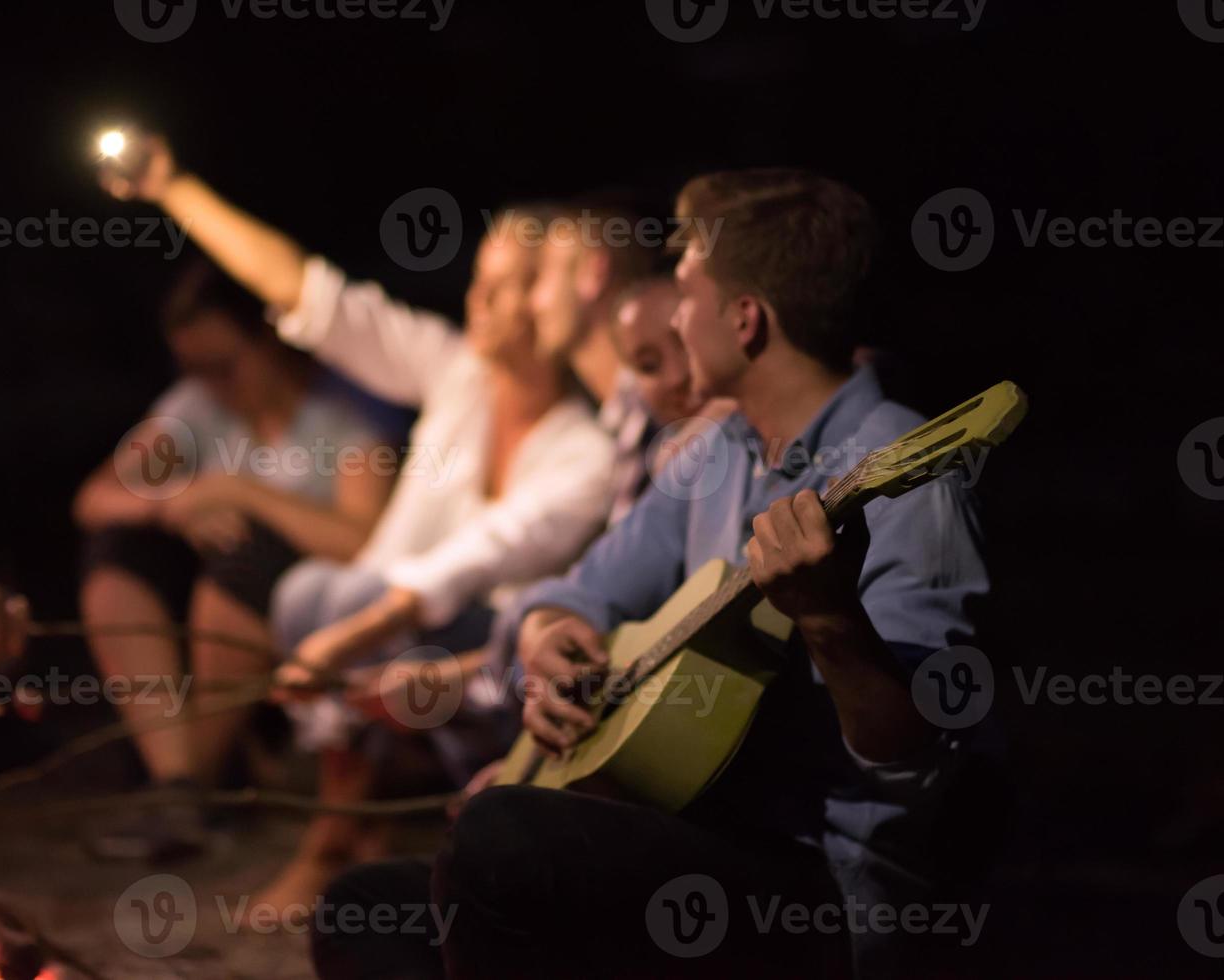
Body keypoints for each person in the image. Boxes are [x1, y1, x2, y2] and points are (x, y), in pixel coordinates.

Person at [313, 169, 992, 980]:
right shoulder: (715, 452)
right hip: (694, 831)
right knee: (362, 908)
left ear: (744, 321)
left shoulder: (904, 475)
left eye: (685, 290)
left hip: (819, 893)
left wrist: (829, 621)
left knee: (502, 840)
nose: (671, 312)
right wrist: (548, 634)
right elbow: (579, 591)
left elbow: (920, 756)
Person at [100, 138, 617, 891]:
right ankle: (344, 825)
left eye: (504, 287)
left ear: (550, 301)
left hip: (493, 652)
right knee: (309, 589)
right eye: (479, 280)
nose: (477, 299)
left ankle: (333, 842)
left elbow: (471, 562)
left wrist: (347, 638)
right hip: (396, 621)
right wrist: (171, 186)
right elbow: (309, 296)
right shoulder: (459, 373)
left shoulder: (584, 451)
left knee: (339, 597)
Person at [73, 259, 397, 860]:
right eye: (194, 369)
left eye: (224, 366)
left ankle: (193, 785)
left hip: (307, 636)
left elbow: (364, 541)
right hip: (201, 637)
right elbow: (94, 498)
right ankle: (179, 786)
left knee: (243, 554)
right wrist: (174, 505)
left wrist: (240, 492)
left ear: (273, 339)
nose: (212, 385)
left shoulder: (344, 415)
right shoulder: (196, 406)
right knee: (119, 552)